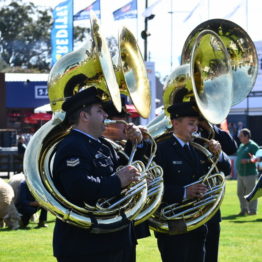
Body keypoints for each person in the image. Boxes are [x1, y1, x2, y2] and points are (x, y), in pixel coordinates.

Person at [52, 86, 148, 262]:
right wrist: (117, 182)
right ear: (84, 116)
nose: (106, 116)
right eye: (100, 111)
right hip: (86, 246)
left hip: (114, 239)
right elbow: (79, 187)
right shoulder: (72, 145)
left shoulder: (103, 145)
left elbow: (125, 171)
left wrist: (136, 144)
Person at [154, 101, 231, 262]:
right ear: (175, 123)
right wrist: (184, 192)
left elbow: (225, 170)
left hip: (199, 224)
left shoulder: (199, 148)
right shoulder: (161, 149)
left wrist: (219, 152)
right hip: (174, 226)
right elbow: (153, 189)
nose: (195, 129)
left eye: (196, 124)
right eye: (191, 124)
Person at [198, 120, 238, 262]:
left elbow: (232, 148)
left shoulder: (210, 133)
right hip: (181, 209)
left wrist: (212, 128)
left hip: (210, 207)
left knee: (210, 255)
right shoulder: (174, 136)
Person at [236, 128, 259, 216]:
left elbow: (259, 157)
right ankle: (244, 209)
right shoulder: (242, 145)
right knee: (240, 193)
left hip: (250, 174)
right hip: (241, 174)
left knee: (250, 193)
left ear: (247, 136)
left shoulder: (252, 146)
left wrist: (248, 161)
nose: (239, 137)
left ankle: (252, 210)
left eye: (241, 136)